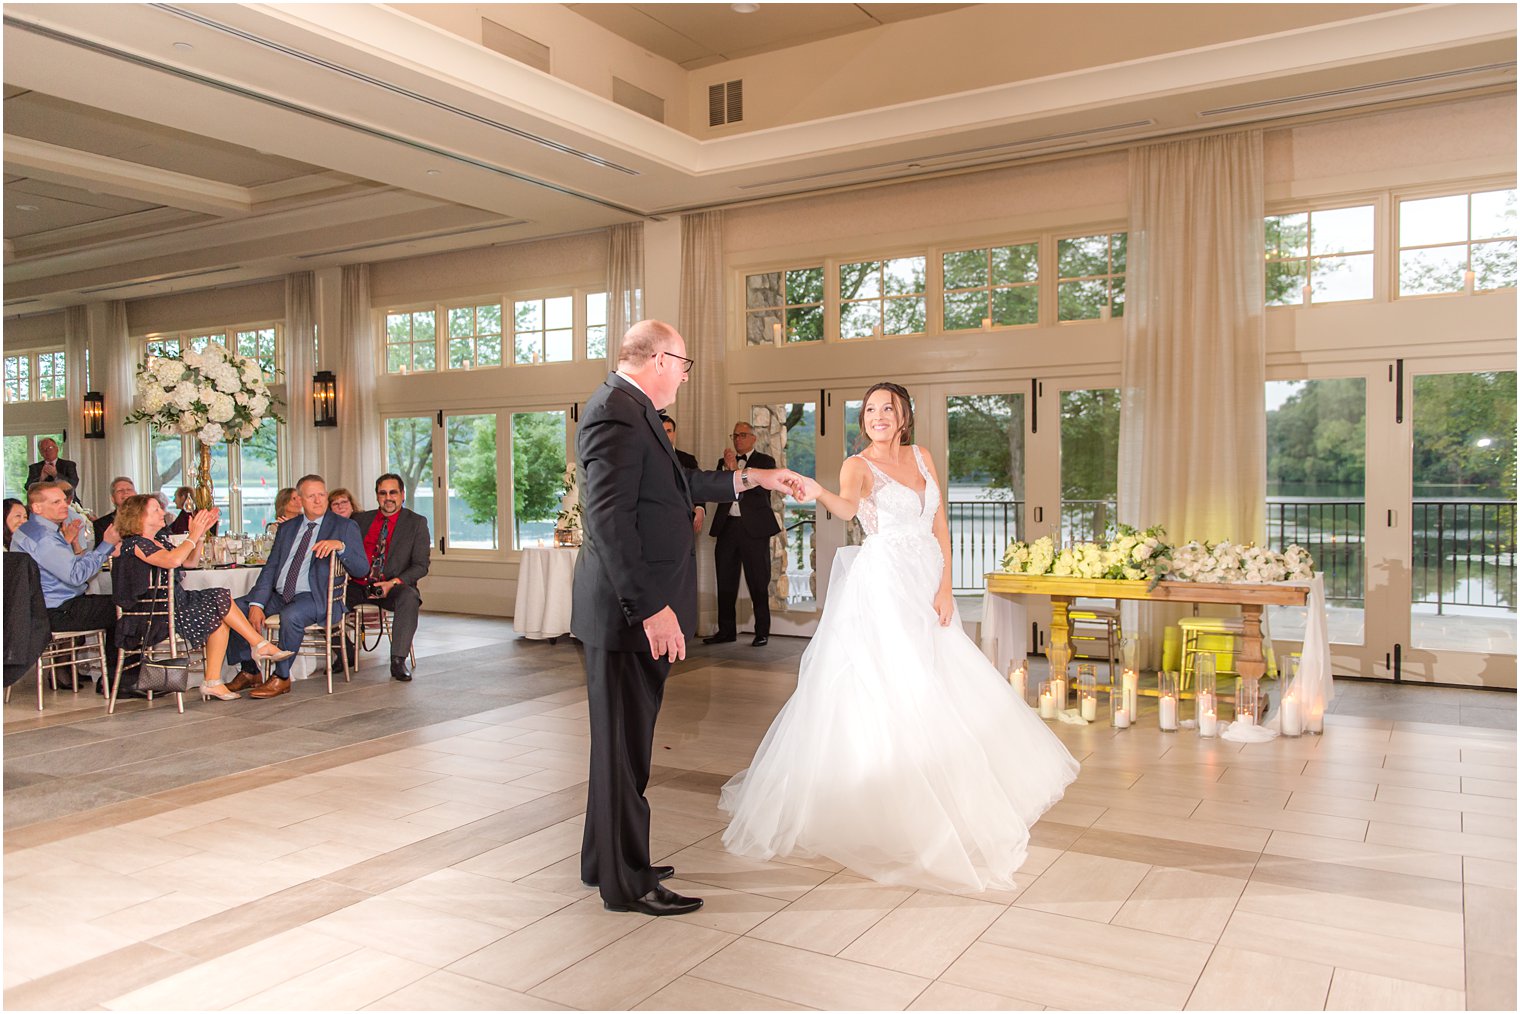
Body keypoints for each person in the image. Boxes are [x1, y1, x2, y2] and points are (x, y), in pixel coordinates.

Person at [720, 382, 1079, 894]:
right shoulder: (857, 465)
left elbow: (939, 520)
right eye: (870, 410)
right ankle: (911, 808)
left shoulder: (923, 456)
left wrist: (947, 586)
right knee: (902, 684)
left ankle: (955, 793)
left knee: (944, 677)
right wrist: (815, 490)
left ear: (904, 415)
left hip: (926, 580)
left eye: (888, 408)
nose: (878, 416)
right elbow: (847, 510)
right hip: (885, 580)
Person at [573, 320, 803, 918]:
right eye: (683, 362)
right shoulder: (616, 412)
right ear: (657, 359)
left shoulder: (631, 407)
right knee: (625, 751)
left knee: (620, 748)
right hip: (628, 615)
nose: (685, 373)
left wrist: (753, 477)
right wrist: (651, 609)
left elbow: (676, 487)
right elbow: (608, 520)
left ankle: (605, 858)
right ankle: (627, 881)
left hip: (631, 610)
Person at [112, 496, 293, 701]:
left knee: (219, 606)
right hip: (152, 615)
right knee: (219, 599)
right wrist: (194, 532)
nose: (163, 513)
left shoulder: (159, 540)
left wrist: (197, 537)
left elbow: (189, 563)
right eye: (155, 510)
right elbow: (173, 560)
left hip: (173, 605)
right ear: (138, 516)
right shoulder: (134, 544)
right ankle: (257, 646)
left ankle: (216, 680)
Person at [224, 475, 367, 699]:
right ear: (300, 500)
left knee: (292, 615)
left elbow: (361, 569)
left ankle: (281, 677)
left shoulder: (344, 526)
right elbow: (271, 568)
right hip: (280, 594)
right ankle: (250, 671)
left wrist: (340, 546)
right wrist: (257, 602)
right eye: (311, 496)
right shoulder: (288, 528)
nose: (319, 500)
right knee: (234, 608)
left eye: (322, 494)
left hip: (314, 596)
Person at [10, 481, 142, 697]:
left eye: (64, 500)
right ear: (37, 508)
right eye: (56, 502)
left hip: (39, 608)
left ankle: (114, 677)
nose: (65, 505)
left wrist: (67, 542)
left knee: (114, 602)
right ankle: (122, 681)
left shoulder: (27, 530)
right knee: (128, 606)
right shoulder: (44, 538)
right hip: (57, 611)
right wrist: (106, 544)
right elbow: (76, 575)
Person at [344, 474, 430, 681]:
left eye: (393, 493)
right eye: (383, 493)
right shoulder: (360, 520)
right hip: (358, 584)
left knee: (409, 598)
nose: (388, 498)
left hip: (393, 585)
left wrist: (392, 583)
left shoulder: (416, 523)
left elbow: (421, 566)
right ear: (377, 496)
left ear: (402, 494)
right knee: (321, 598)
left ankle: (398, 661)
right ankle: (345, 652)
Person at [703, 421, 782, 647]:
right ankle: (726, 631)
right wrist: (727, 470)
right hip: (727, 527)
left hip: (754, 529)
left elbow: (758, 492)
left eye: (743, 435)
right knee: (725, 580)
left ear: (753, 438)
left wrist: (733, 471)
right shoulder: (722, 463)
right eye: (735, 435)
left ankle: (762, 632)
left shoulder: (765, 462)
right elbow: (718, 492)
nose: (738, 439)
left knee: (758, 581)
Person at [659, 414, 705, 535]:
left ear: (674, 433)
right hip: (654, 520)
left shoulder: (687, 459)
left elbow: (698, 484)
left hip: (682, 520)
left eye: (669, 431)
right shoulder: (646, 458)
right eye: (661, 431)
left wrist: (700, 508)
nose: (665, 435)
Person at [94, 477, 137, 546]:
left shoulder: (148, 518)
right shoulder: (101, 524)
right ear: (113, 498)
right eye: (120, 490)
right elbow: (100, 553)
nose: (125, 492)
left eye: (129, 489)